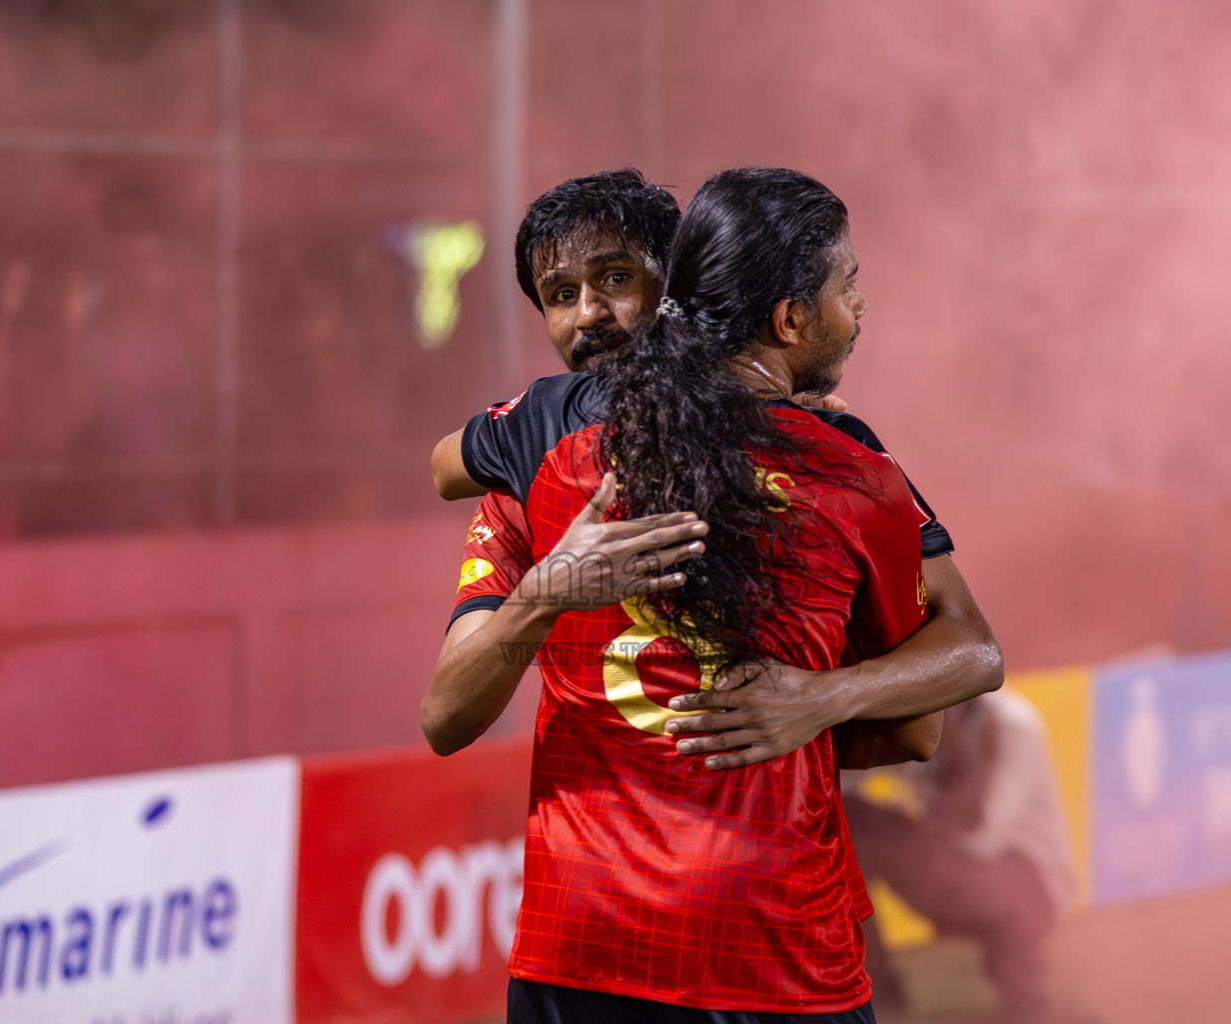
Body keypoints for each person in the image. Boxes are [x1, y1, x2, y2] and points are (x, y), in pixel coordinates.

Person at [424, 167, 1002, 1022]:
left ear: (680, 286)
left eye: (617, 279)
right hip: (763, 944)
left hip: (587, 948)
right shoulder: (845, 466)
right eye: (560, 294)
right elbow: (923, 717)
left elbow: (444, 468)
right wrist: (801, 710)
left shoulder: (546, 465)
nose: (589, 314)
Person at [845, 691, 1075, 1021]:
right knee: (848, 824)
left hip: (1030, 882)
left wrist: (913, 835)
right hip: (960, 869)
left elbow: (985, 835)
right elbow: (851, 783)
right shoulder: (929, 717)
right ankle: (876, 988)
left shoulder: (1010, 723)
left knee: (865, 830)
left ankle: (1028, 999)